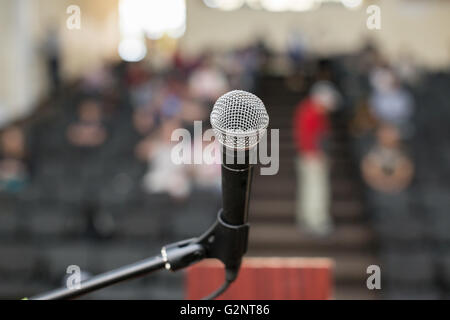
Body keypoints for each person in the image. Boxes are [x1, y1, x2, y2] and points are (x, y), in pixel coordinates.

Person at [292, 81, 340, 236]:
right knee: (316, 190)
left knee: (311, 189)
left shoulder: (313, 112)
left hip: (311, 155)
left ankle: (309, 220)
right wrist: (315, 154)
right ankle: (315, 221)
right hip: (311, 156)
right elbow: (306, 136)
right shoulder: (310, 112)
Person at [361, 123, 414, 194]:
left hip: (401, 191)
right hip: (376, 192)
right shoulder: (371, 154)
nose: (389, 136)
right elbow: (370, 173)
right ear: (378, 135)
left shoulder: (405, 153)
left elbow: (406, 172)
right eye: (386, 133)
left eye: (391, 133)